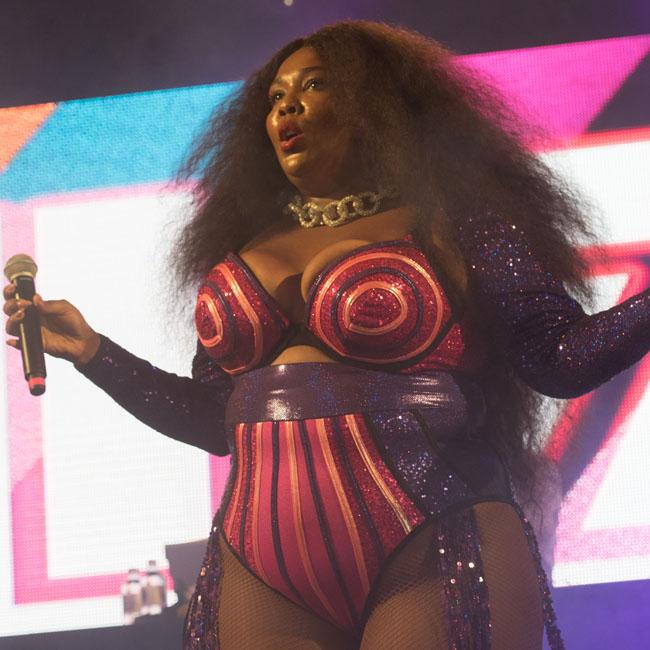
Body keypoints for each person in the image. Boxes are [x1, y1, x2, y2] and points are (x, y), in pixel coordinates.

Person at [4, 21, 650, 650]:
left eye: (313, 86)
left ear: (376, 105)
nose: (286, 108)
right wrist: (94, 353)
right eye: (275, 97)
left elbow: (558, 359)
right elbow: (213, 420)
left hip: (433, 533)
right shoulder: (240, 245)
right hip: (261, 560)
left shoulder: (459, 223)